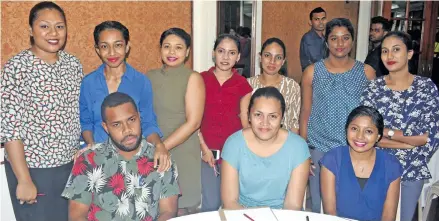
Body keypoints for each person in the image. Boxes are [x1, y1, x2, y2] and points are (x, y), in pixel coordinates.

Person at [1, 2, 83, 220]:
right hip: (34, 171)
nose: (53, 33)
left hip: (70, 168)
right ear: (31, 30)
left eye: (60, 26)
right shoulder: (17, 68)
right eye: (44, 26)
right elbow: (11, 130)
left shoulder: (73, 65)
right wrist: (24, 179)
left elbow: (75, 114)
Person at [63, 92, 179, 221]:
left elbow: (168, 212)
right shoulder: (88, 160)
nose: (127, 130)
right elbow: (76, 216)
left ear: (139, 117)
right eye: (116, 124)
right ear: (106, 127)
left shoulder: (160, 158)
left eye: (131, 120)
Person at [299, 18, 376, 213]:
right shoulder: (311, 72)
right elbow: (305, 113)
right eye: (334, 38)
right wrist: (303, 152)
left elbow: (372, 117)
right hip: (318, 148)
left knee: (346, 203)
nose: (340, 44)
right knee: (317, 204)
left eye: (345, 38)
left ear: (352, 41)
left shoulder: (366, 73)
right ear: (326, 42)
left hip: (352, 149)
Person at [361, 31, 439, 221]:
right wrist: (407, 142)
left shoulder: (426, 87)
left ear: (410, 53)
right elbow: (366, 135)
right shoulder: (373, 89)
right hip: (376, 168)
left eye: (396, 50)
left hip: (412, 171)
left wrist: (388, 133)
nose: (390, 56)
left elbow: (428, 138)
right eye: (385, 51)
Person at [79, 21, 169, 172]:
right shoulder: (88, 83)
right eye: (104, 46)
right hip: (99, 161)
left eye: (118, 45)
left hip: (134, 160)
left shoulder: (141, 82)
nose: (112, 52)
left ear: (127, 47)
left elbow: (148, 122)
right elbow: (86, 122)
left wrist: (160, 145)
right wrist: (91, 145)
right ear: (97, 50)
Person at [147, 27, 205, 216]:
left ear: (187, 51)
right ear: (160, 49)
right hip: (153, 148)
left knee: (179, 210)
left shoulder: (193, 78)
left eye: (178, 48)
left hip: (181, 151)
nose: (172, 52)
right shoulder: (149, 76)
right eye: (167, 47)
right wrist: (155, 147)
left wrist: (162, 147)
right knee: (152, 207)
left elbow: (193, 123)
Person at [221, 87, 310, 209]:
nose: (265, 123)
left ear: (282, 118)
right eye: (258, 115)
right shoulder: (234, 144)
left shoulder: (298, 148)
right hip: (241, 214)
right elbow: (230, 202)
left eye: (273, 116)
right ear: (249, 116)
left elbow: (292, 205)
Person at [198, 34, 253, 211]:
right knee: (211, 204)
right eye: (221, 51)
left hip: (233, 155)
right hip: (206, 153)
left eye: (231, 53)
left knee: (232, 203)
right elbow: (194, 118)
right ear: (213, 53)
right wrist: (204, 149)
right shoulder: (200, 79)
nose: (225, 57)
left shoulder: (242, 84)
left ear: (238, 57)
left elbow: (245, 120)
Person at [320, 106, 402, 221]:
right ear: (346, 129)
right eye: (354, 129)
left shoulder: (391, 165)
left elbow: (388, 216)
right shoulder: (332, 159)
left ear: (378, 136)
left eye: (368, 131)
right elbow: (330, 213)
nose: (360, 136)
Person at [248, 38, 300, 133]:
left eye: (278, 57)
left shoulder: (292, 86)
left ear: (283, 61)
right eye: (267, 55)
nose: (272, 61)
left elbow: (294, 123)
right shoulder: (248, 85)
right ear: (260, 57)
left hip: (283, 144)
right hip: (253, 142)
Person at [300, 7, 327, 72]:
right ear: (310, 22)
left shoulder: (324, 38)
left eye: (323, 19)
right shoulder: (309, 38)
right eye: (317, 19)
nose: (321, 22)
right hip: (313, 78)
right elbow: (317, 61)